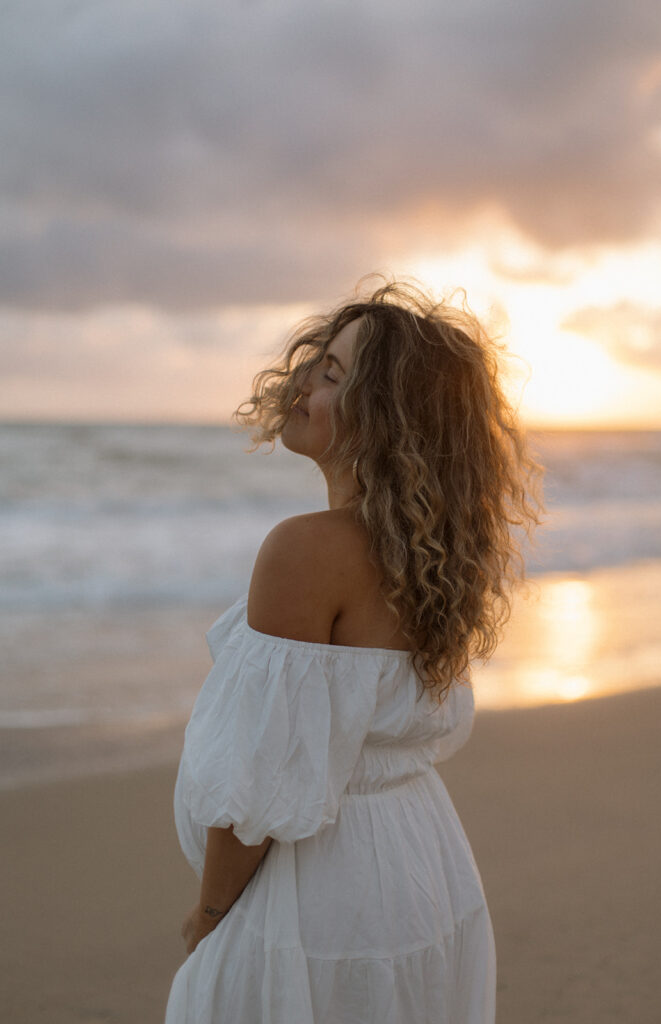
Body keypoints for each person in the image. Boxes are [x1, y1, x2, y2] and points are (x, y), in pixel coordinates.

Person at [165, 278, 543, 1023]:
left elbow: (261, 785)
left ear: (388, 420)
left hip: (321, 891)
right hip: (425, 868)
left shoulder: (307, 550)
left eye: (333, 375)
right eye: (316, 362)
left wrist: (210, 916)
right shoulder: (437, 556)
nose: (303, 380)